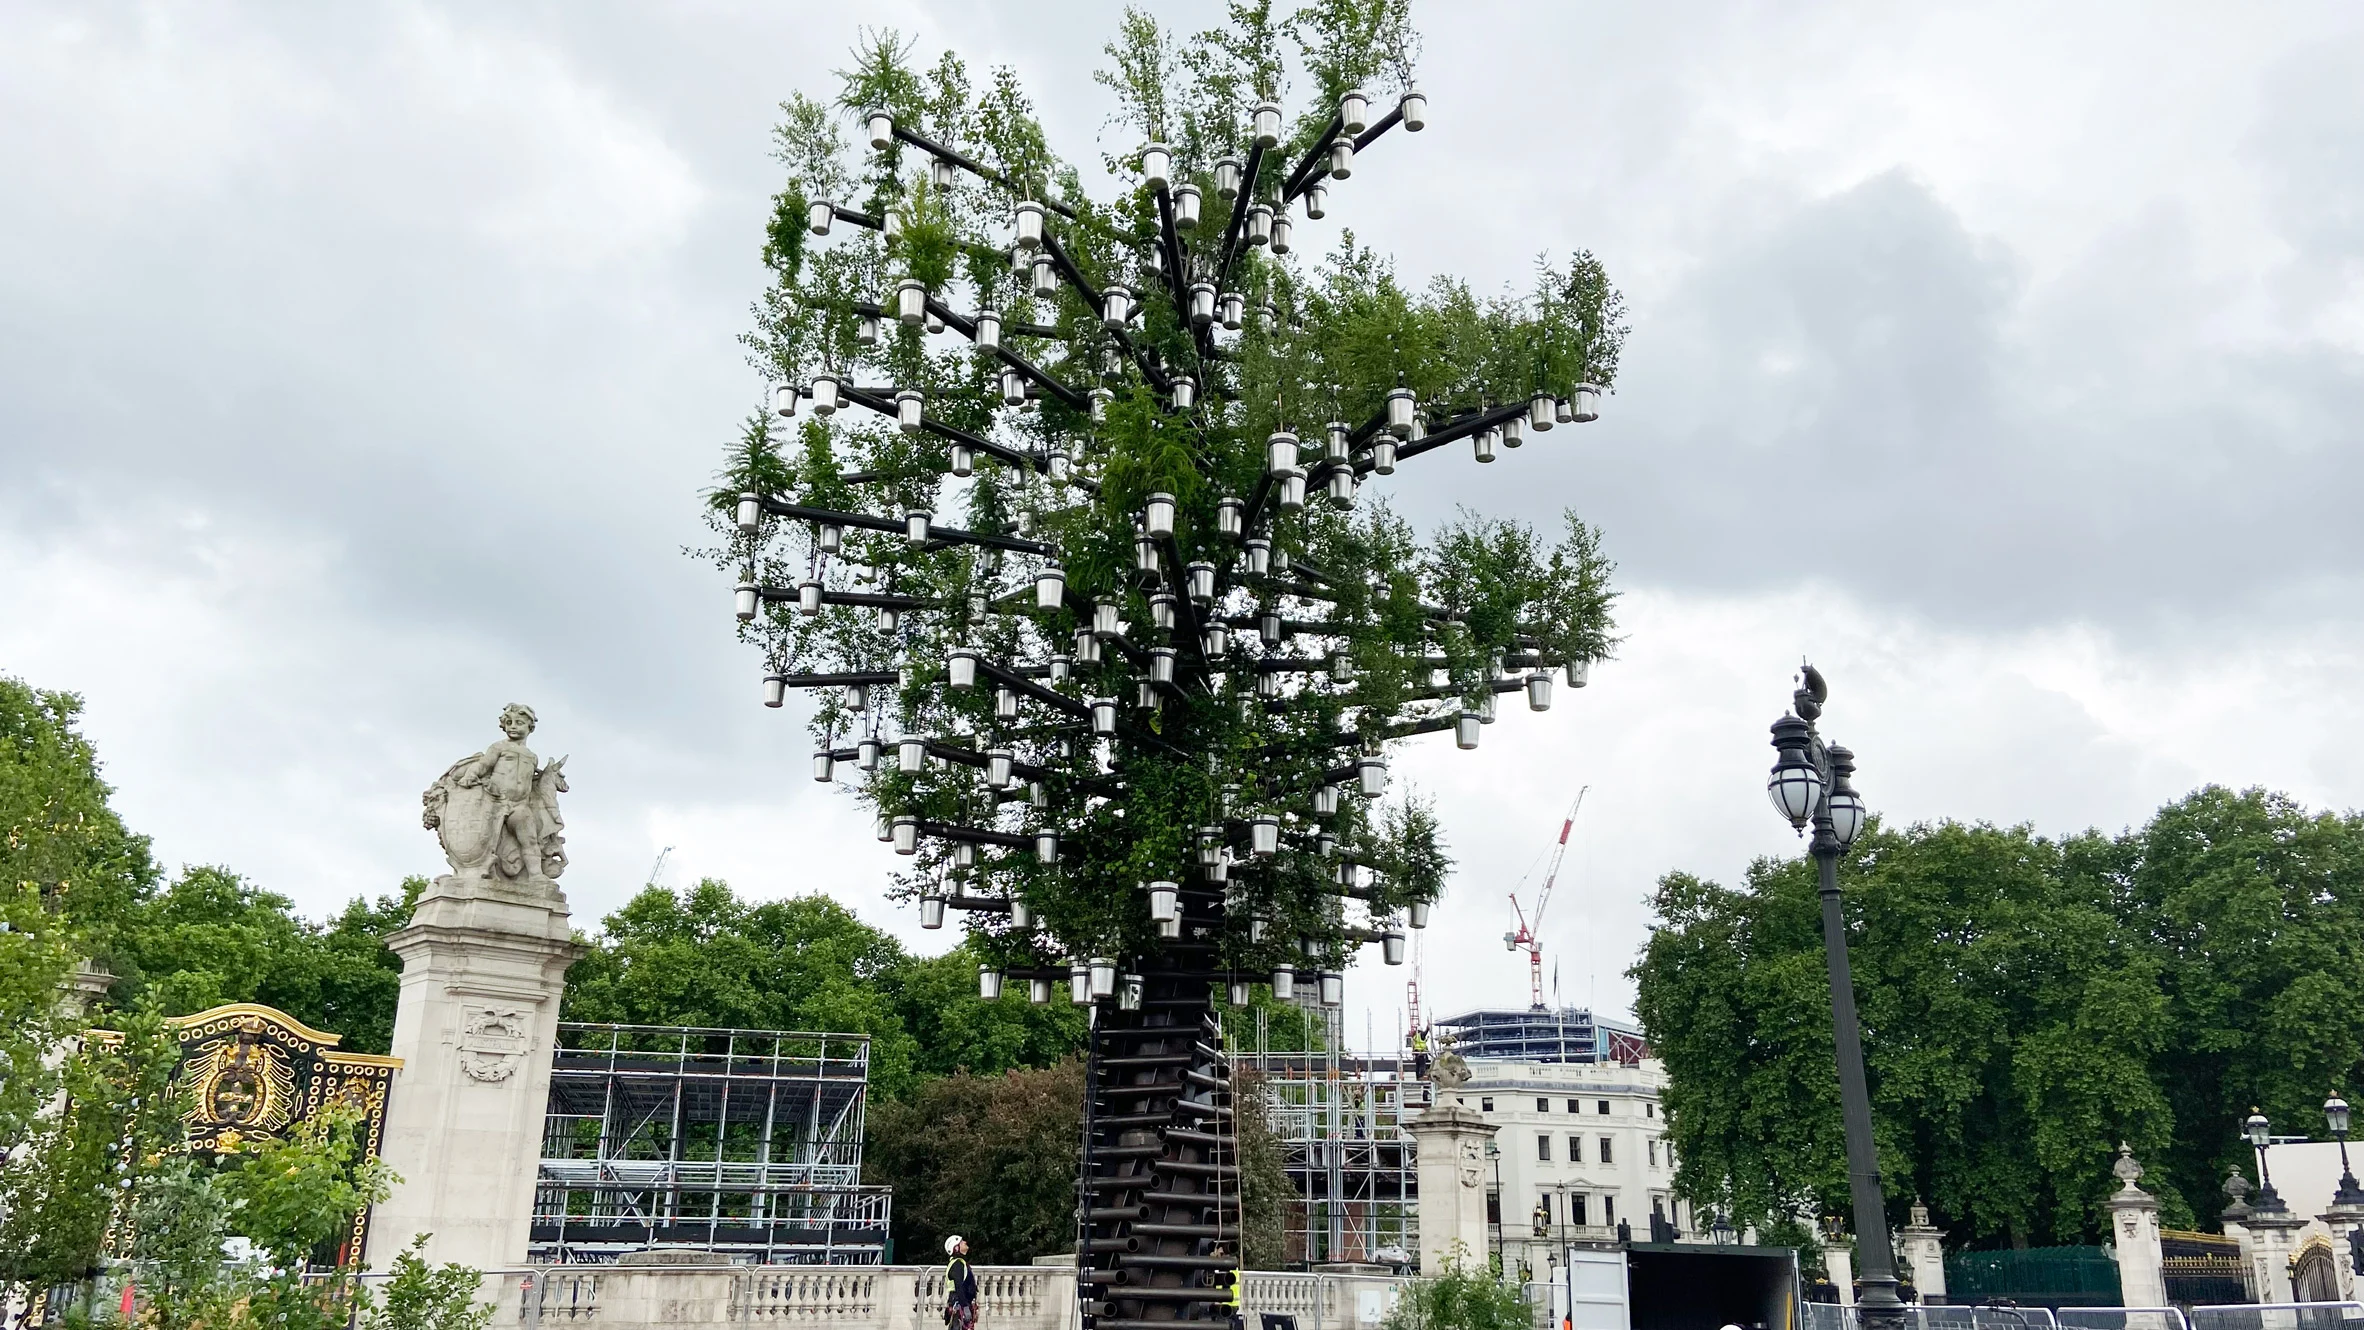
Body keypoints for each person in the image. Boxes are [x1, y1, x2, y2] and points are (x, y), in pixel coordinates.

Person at [943, 1235, 978, 1330]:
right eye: (962, 1241)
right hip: (959, 1303)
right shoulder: (957, 1264)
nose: (965, 1242)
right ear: (956, 1247)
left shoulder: (960, 1263)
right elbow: (959, 1286)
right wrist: (965, 1306)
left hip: (961, 1302)